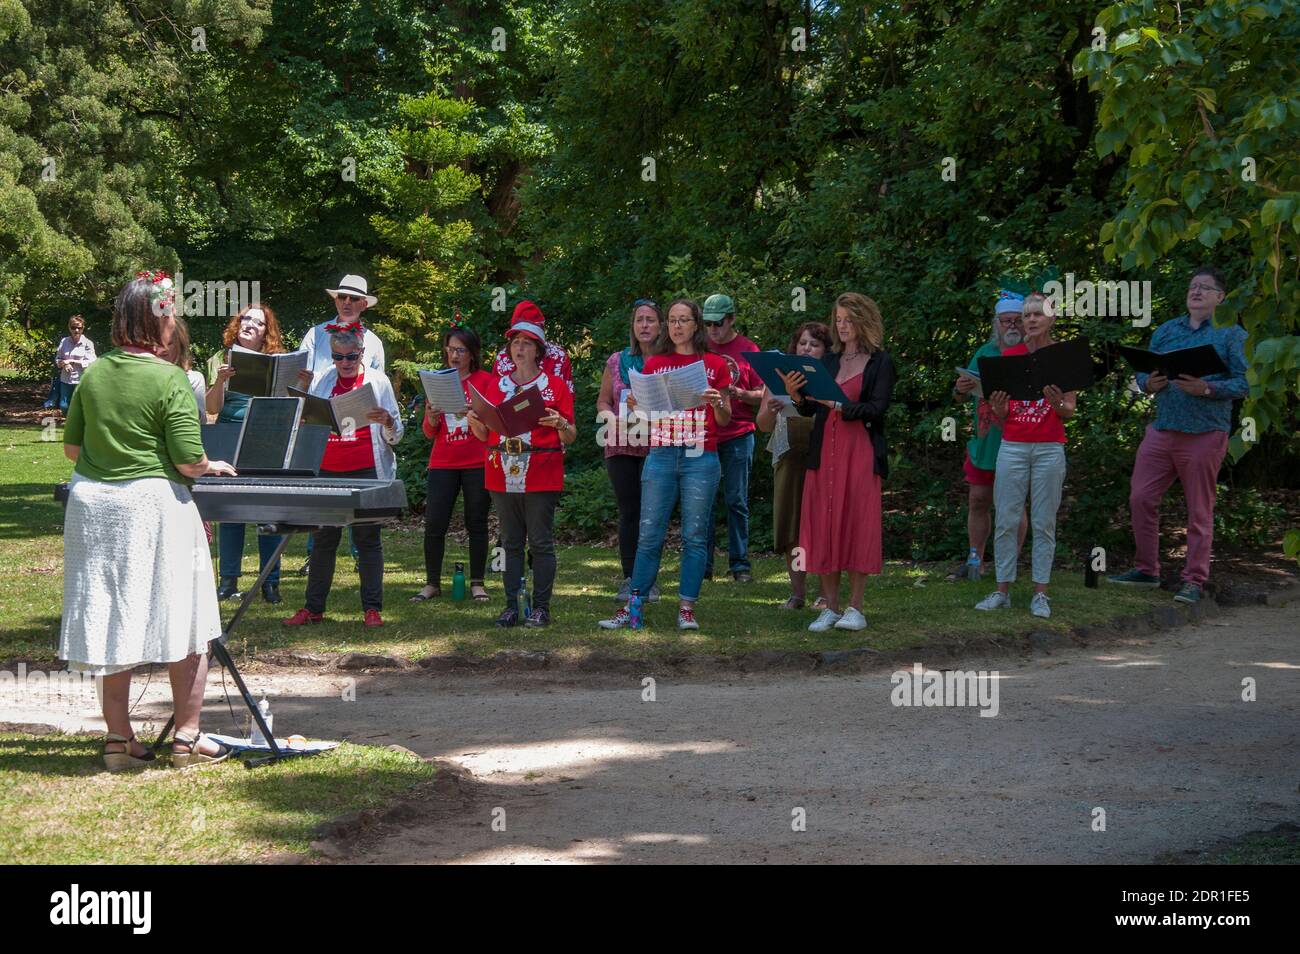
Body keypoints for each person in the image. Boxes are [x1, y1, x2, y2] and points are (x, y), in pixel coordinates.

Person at [60, 272, 236, 770]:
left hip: (94, 508)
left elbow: (73, 447)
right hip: (153, 508)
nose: (175, 320)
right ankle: (187, 738)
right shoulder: (169, 378)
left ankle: (119, 741)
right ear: (156, 320)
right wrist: (210, 465)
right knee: (188, 619)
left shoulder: (93, 374)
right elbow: (187, 459)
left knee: (112, 619)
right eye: (171, 313)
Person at [1108, 266, 1249, 604]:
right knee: (1140, 498)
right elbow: (1144, 374)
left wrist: (1207, 388)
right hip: (1162, 430)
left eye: (1204, 287)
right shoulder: (1167, 330)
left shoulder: (1231, 334)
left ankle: (1195, 580)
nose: (1196, 291)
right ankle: (1147, 570)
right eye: (1192, 286)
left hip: (1204, 433)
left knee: (1199, 511)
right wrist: (1147, 384)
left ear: (1220, 297)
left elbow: (1246, 382)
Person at [600, 298, 732, 632]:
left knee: (694, 535)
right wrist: (634, 404)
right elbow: (645, 418)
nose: (676, 326)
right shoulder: (655, 362)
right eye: (672, 320)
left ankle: (687, 607)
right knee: (649, 533)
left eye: (683, 320)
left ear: (696, 325)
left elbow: (726, 419)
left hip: (700, 454)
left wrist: (718, 403)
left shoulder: (714, 364)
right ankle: (633, 605)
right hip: (661, 452)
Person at [783, 293, 896, 632]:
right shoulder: (828, 361)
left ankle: (856, 608)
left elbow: (877, 408)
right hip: (824, 451)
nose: (842, 326)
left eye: (849, 319)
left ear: (864, 320)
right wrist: (796, 395)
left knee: (856, 522)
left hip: (859, 449)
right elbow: (811, 408)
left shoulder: (880, 361)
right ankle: (830, 607)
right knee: (824, 524)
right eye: (839, 319)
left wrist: (840, 405)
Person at [282, 322, 404, 628]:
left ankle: (372, 609)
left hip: (366, 468)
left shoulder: (378, 382)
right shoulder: (323, 380)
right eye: (338, 357)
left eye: (351, 357)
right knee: (323, 540)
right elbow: (303, 423)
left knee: (367, 539)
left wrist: (388, 421)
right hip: (328, 469)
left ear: (362, 353)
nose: (345, 364)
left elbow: (397, 435)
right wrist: (303, 397)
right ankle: (313, 608)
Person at [468, 319, 577, 627]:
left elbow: (571, 436)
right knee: (511, 542)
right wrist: (474, 420)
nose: (519, 348)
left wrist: (561, 424)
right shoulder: (494, 384)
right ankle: (511, 605)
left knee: (541, 542)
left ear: (538, 351)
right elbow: (482, 434)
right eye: (515, 343)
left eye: (526, 343)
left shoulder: (554, 386)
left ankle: (541, 607)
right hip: (501, 471)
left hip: (541, 469)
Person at [975, 292, 1076, 619]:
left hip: (1049, 447)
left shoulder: (1063, 357)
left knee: (1044, 522)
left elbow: (1069, 411)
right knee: (1006, 517)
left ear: (1052, 319)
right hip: (1014, 445)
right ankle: (1002, 589)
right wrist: (1000, 410)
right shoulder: (1011, 356)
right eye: (1027, 315)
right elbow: (1001, 415)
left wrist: (1057, 402)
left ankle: (1040, 594)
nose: (1030, 320)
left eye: (1037, 314)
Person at [206, 305, 289, 604]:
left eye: (259, 322)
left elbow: (288, 404)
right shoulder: (220, 358)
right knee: (231, 510)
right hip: (228, 433)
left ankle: (270, 582)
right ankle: (228, 581)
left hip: (263, 434)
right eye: (246, 319)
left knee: (267, 510)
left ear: (267, 332)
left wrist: (299, 382)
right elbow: (213, 408)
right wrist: (219, 381)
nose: (250, 325)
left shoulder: (276, 360)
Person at [948, 291, 1028, 582]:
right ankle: (975, 562)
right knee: (978, 500)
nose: (1011, 327)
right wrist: (960, 387)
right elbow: (958, 396)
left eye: (1016, 321)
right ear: (996, 324)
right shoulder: (985, 352)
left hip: (1018, 441)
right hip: (985, 443)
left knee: (1013, 506)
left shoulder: (1032, 354)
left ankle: (1010, 565)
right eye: (1005, 321)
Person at [412, 323, 493, 605]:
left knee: (477, 522)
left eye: (460, 350)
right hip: (443, 461)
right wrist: (432, 418)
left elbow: (495, 425)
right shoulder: (437, 380)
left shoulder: (486, 381)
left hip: (476, 461)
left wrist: (475, 415)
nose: (454, 355)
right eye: (450, 349)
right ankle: (432, 583)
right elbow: (428, 432)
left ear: (472, 354)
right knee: (435, 523)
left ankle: (477, 583)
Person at [756, 321, 832, 609]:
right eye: (802, 343)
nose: (807, 348)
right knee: (792, 524)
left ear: (825, 350)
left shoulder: (831, 378)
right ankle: (797, 593)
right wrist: (770, 409)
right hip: (788, 454)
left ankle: (826, 594)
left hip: (823, 455)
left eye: (814, 344)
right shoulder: (777, 376)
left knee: (822, 523)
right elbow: (762, 426)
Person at [595, 299, 662, 601]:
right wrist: (610, 419)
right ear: (633, 327)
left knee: (654, 514)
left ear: (660, 326)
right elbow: (603, 401)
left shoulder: (668, 361)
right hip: (621, 444)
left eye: (650, 320)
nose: (644, 325)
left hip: (657, 444)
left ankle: (650, 580)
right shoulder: (616, 360)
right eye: (639, 320)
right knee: (630, 512)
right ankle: (629, 577)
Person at [701, 293, 763, 582]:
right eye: (708, 323)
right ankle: (704, 566)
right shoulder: (701, 348)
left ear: (732, 319)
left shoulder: (749, 349)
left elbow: (766, 393)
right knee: (705, 500)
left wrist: (742, 394)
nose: (713, 329)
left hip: (739, 432)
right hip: (707, 432)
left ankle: (740, 565)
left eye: (719, 322)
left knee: (736, 499)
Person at [300, 274, 386, 377]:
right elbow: (302, 377)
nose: (347, 302)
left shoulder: (374, 343)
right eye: (342, 297)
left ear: (364, 305)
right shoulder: (315, 334)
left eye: (354, 298)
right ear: (336, 301)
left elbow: (378, 384)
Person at [492, 300, 573, 396]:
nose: (520, 348)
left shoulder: (558, 356)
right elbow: (494, 394)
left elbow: (565, 398)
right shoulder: (503, 356)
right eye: (516, 341)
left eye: (527, 342)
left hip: (548, 408)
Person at [52, 316, 97, 412]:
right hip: (66, 379)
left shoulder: (88, 343)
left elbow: (92, 362)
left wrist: (71, 361)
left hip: (81, 380)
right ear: (69, 328)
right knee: (64, 406)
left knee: (81, 406)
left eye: (79, 328)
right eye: (73, 328)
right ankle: (69, 424)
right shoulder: (64, 341)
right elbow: (58, 358)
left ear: (83, 328)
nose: (76, 330)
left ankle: (79, 425)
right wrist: (64, 364)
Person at [165, 315, 206, 417]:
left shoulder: (194, 379)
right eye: (157, 342)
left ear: (180, 346)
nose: (161, 349)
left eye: (168, 343)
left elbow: (198, 420)